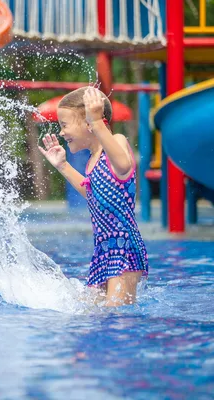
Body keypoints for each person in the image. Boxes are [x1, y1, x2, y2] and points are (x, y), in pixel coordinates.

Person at [38, 86, 148, 306]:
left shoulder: (116, 143)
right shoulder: (92, 161)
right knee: (89, 309)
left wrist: (97, 122)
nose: (61, 132)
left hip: (123, 248)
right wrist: (63, 166)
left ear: (88, 123)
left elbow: (125, 165)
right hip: (103, 250)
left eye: (65, 125)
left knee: (114, 315)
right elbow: (92, 194)